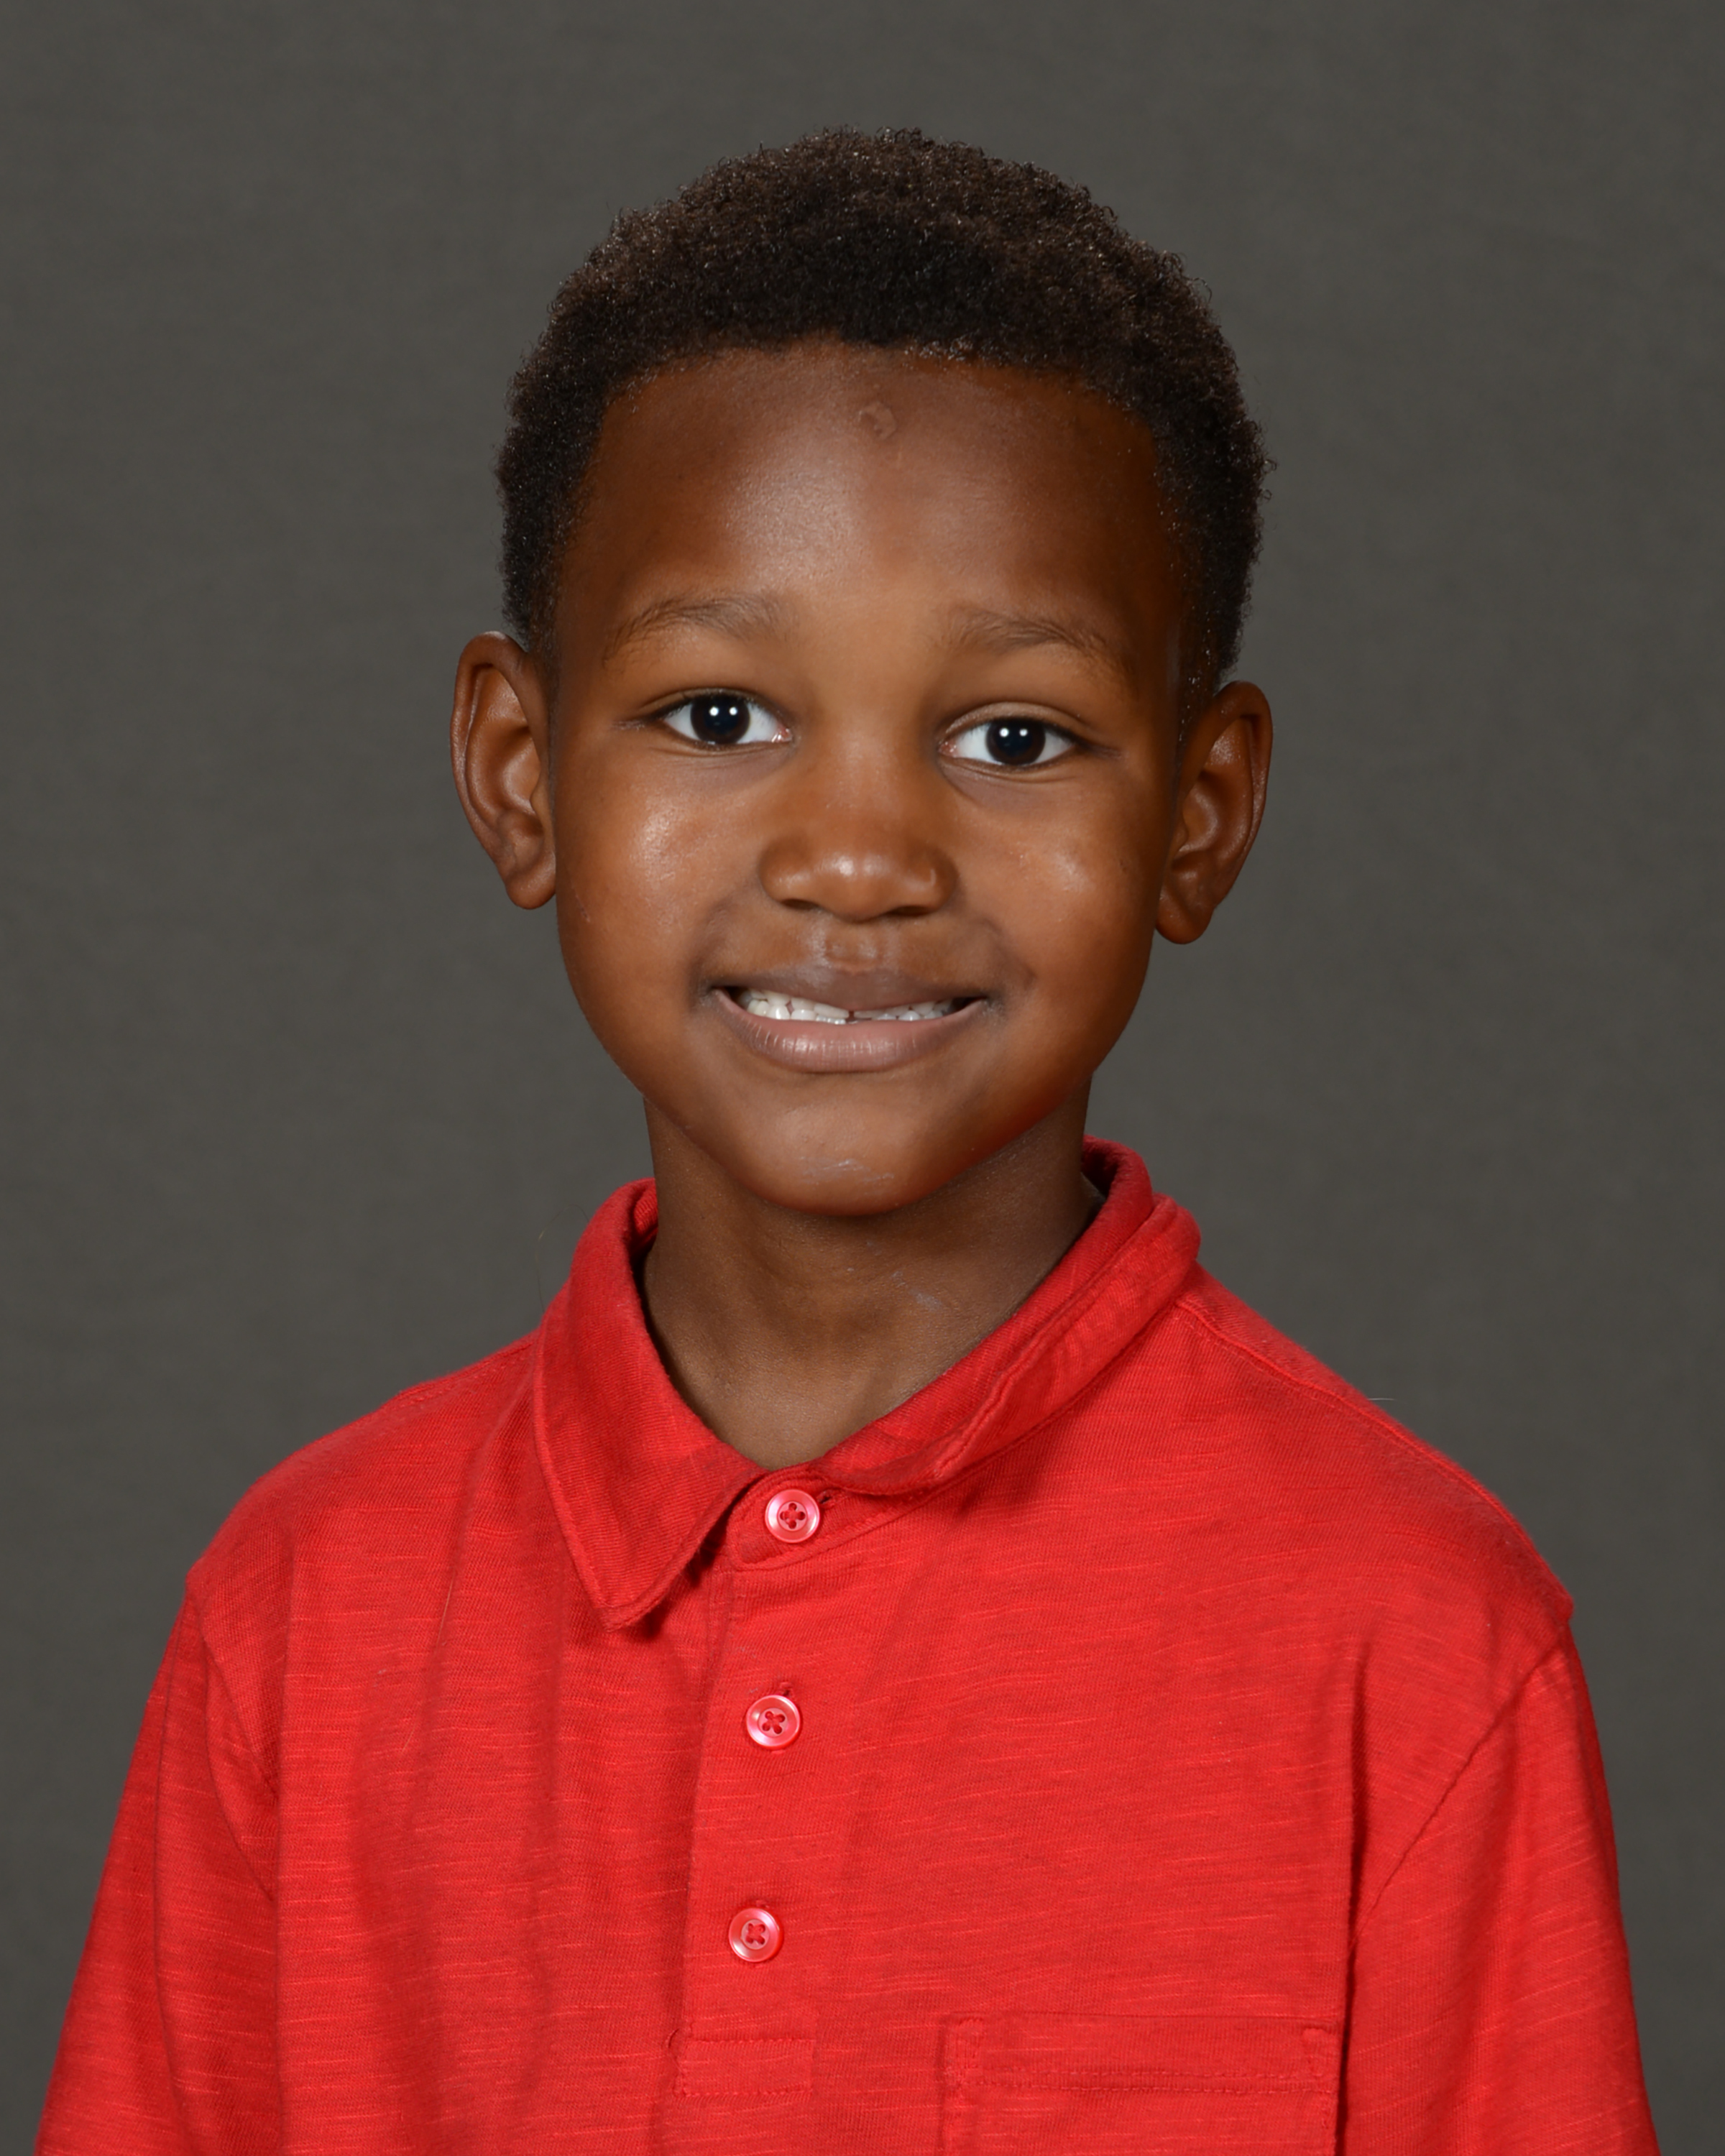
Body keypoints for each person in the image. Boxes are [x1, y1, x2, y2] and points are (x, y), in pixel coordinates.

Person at [39, 130, 1657, 2154]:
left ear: (1203, 812)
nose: (861, 858)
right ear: (521, 774)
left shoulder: (1413, 1639)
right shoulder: (299, 1617)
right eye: (720, 716)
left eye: (1014, 738)